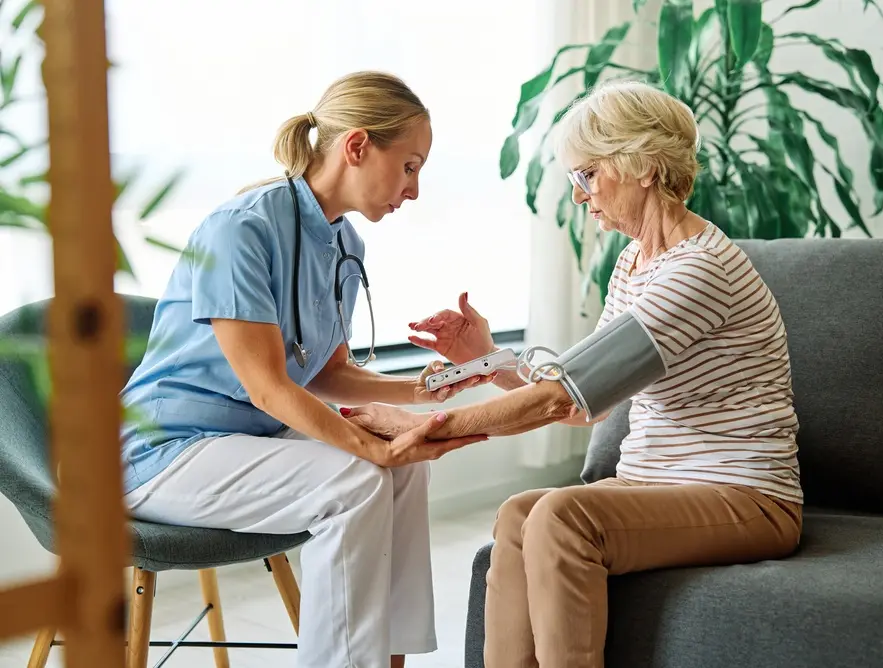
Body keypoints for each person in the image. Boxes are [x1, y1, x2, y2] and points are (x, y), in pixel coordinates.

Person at [344, 80, 804, 668]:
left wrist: (426, 423)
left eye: (587, 175)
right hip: (654, 483)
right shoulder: (636, 261)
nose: (581, 196)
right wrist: (491, 357)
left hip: (749, 496)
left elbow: (561, 397)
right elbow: (585, 399)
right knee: (518, 514)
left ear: (640, 165)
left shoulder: (700, 270)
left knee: (564, 514)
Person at [119, 71, 493, 668]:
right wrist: (370, 450)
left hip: (243, 442)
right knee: (356, 478)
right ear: (357, 147)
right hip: (164, 451)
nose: (415, 190)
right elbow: (267, 386)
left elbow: (325, 372)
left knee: (404, 473)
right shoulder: (242, 228)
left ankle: (387, 661)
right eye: (410, 166)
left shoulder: (347, 244)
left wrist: (431, 385)